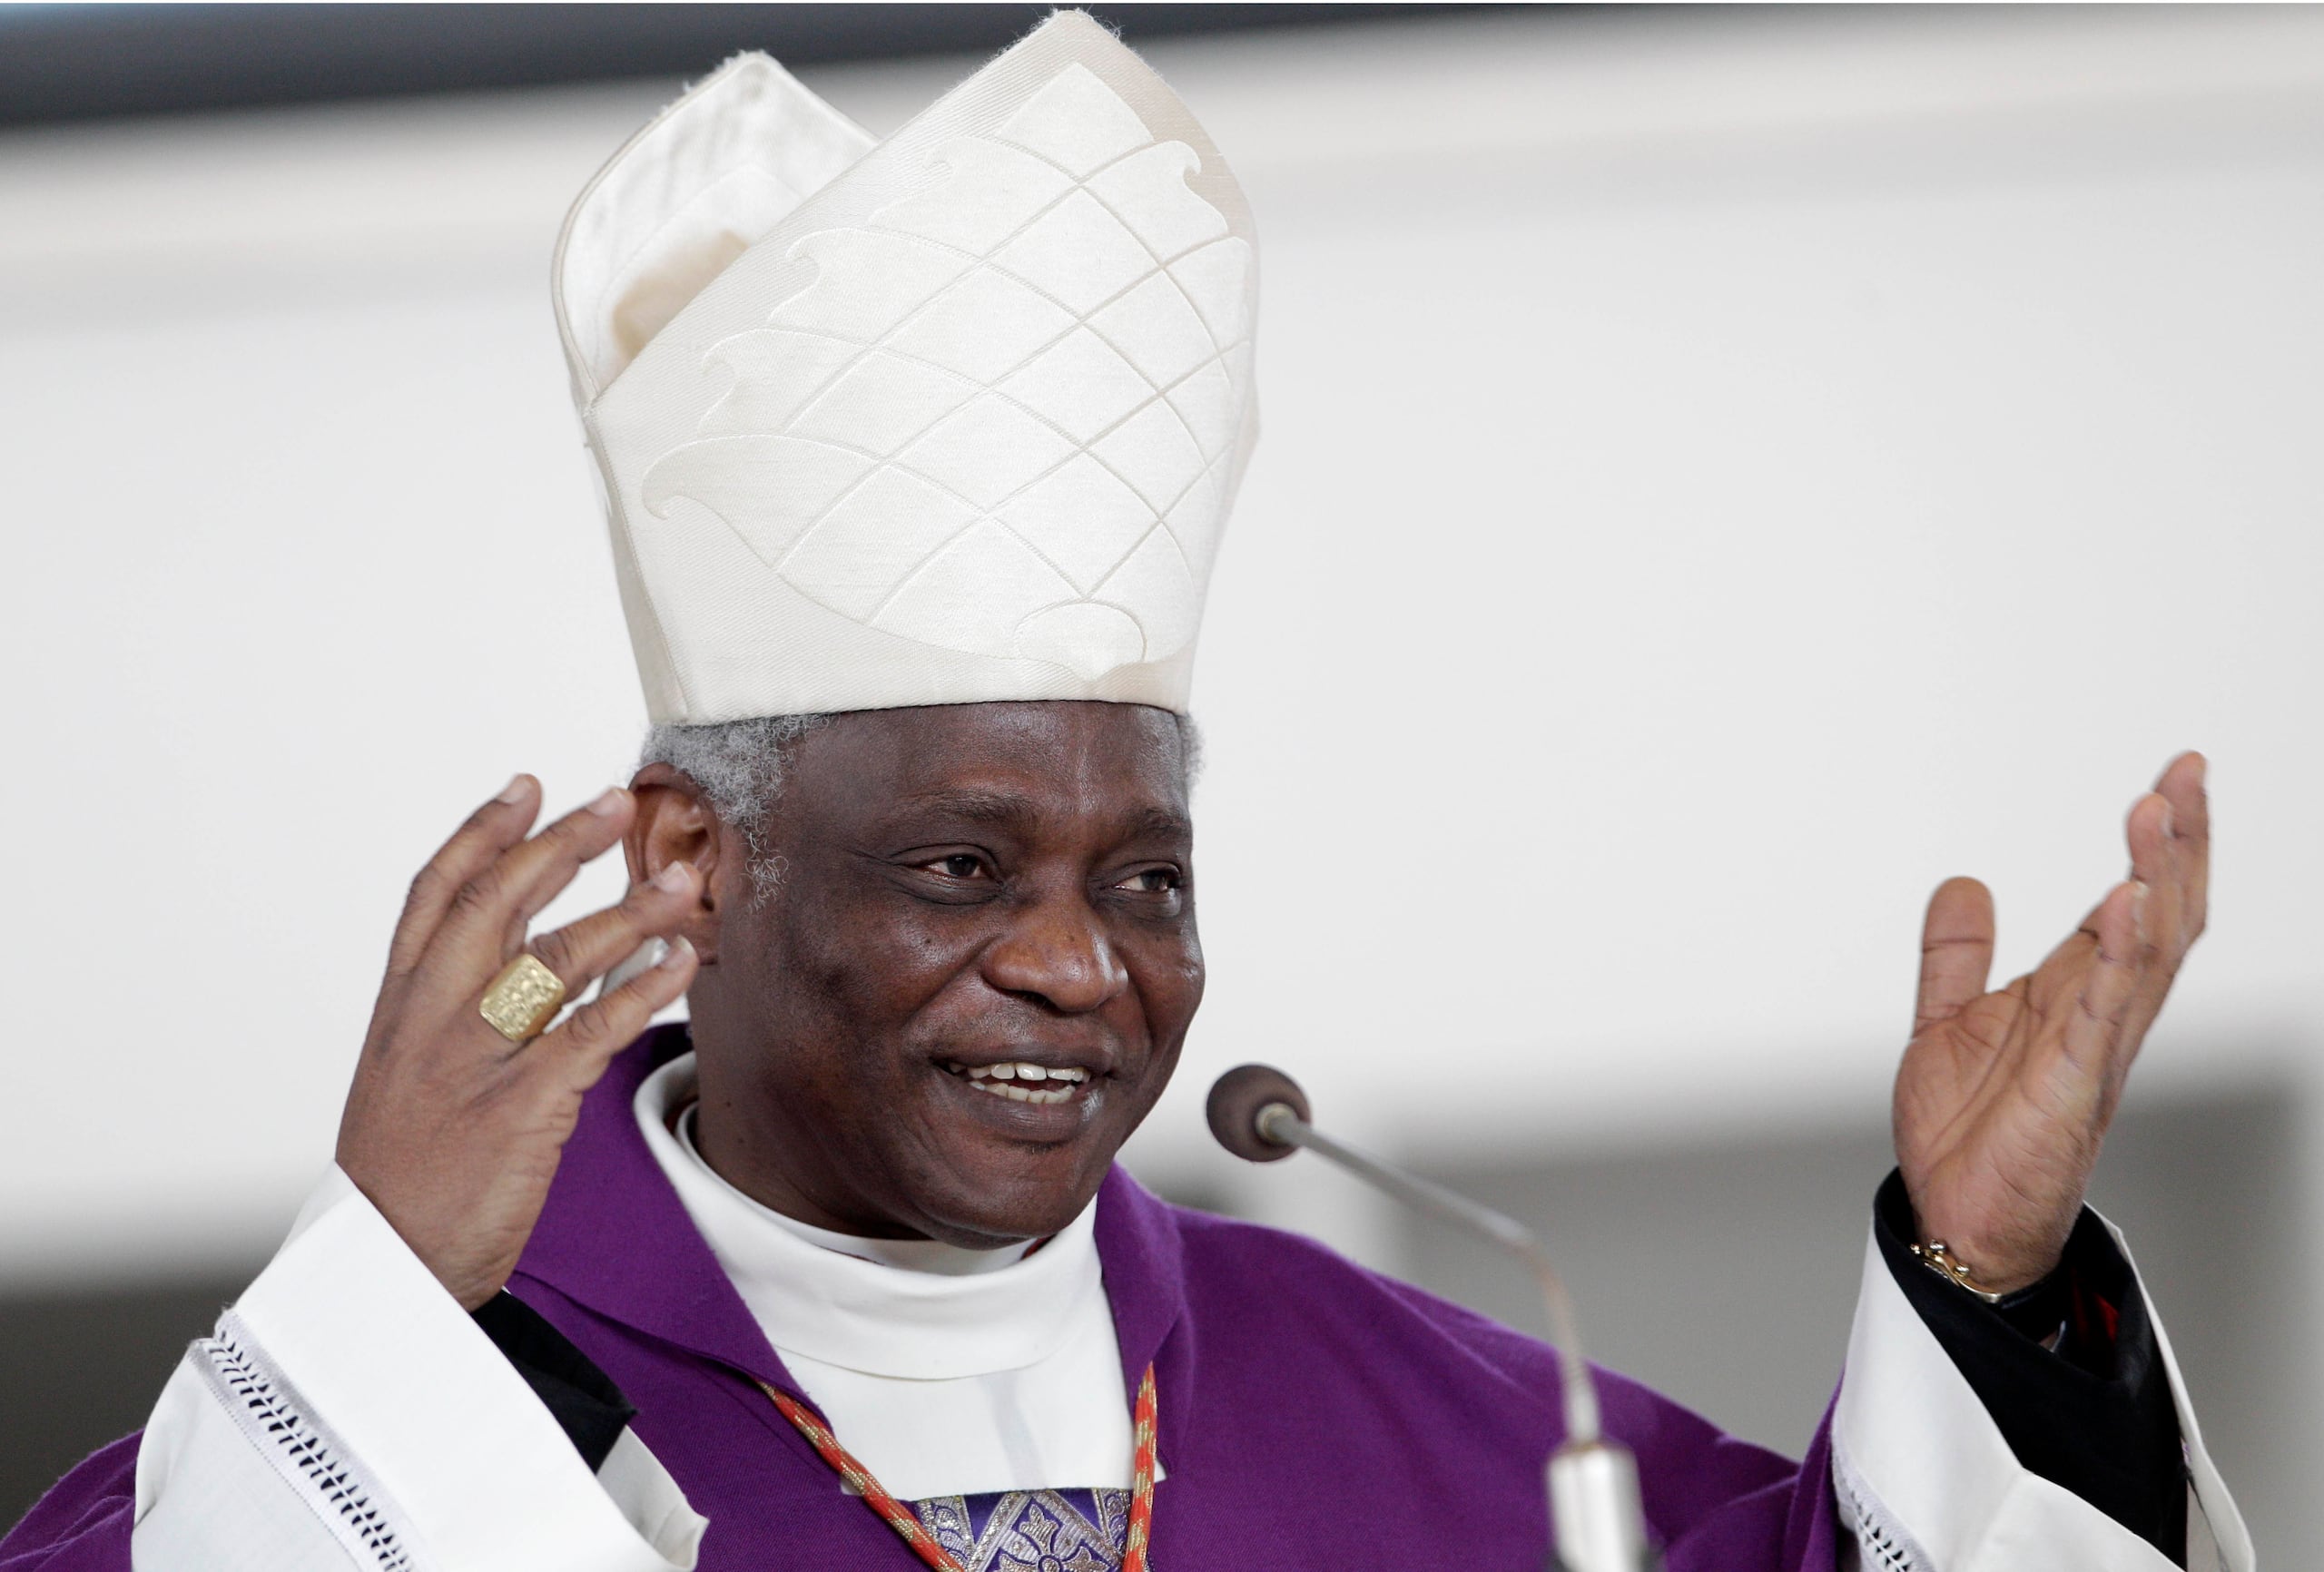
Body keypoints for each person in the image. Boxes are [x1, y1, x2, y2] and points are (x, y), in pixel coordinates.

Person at [0, 15, 2250, 1571]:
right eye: (959, 863)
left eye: (1145, 875)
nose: (1081, 965)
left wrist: (1979, 1275)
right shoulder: (418, 1408)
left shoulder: (1397, 1400)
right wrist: (387, 1301)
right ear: (693, 858)